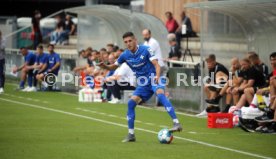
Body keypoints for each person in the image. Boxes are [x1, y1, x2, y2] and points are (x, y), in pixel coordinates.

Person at [98, 32, 182, 142]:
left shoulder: (146, 49)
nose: (128, 43)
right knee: (130, 103)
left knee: (160, 95)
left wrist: (157, 77)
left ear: (135, 40)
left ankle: (176, 122)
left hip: (154, 78)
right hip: (143, 84)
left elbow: (157, 65)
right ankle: (131, 135)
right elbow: (114, 66)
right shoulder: (125, 55)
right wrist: (104, 66)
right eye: (126, 42)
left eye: (130, 41)